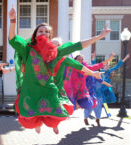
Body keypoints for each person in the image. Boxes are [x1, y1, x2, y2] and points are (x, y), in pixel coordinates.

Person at [8, 4, 110, 134]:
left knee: (56, 117)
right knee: (27, 119)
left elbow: (76, 47)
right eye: (40, 31)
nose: (43, 33)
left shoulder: (56, 52)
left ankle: (49, 124)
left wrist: (98, 37)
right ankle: (37, 123)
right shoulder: (27, 49)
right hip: (30, 89)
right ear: (35, 35)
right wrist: (13, 20)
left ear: (50, 37)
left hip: (49, 88)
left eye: (47, 32)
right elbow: (12, 39)